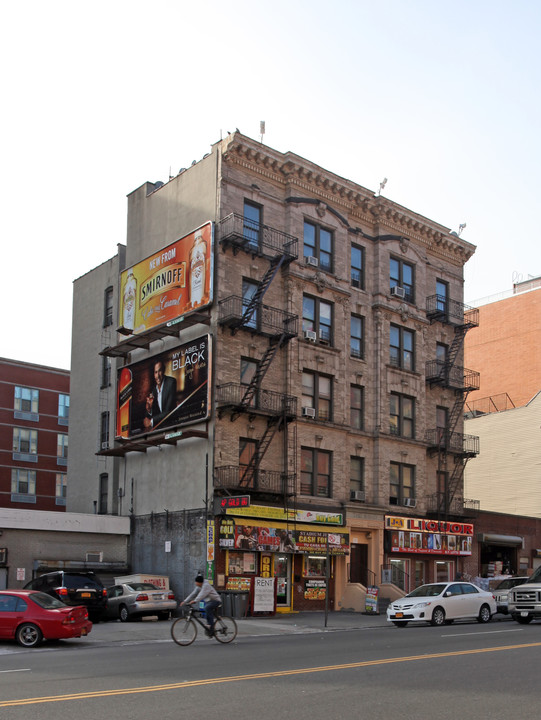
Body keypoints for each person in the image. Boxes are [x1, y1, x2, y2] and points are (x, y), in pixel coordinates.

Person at [143, 360, 177, 429]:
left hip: (172, 426)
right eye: (155, 372)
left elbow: (168, 411)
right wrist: (149, 410)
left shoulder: (171, 383)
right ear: (153, 374)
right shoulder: (154, 390)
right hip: (161, 428)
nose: (158, 375)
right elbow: (155, 413)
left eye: (159, 371)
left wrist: (151, 421)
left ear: (164, 370)